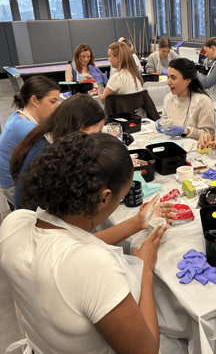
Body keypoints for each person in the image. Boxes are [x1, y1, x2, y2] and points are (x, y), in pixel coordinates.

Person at [0, 131, 176, 354]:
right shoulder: (95, 267)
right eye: (120, 197)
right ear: (103, 198)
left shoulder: (14, 224)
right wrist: (145, 270)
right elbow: (146, 351)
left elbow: (68, 244)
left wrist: (136, 223)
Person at [10, 94, 106, 210]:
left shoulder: (47, 136)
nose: (97, 139)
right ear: (80, 127)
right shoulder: (49, 157)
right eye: (97, 132)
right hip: (37, 220)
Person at [0, 76, 60, 204]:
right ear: (35, 101)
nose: (58, 106)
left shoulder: (18, 115)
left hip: (8, 180)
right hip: (13, 187)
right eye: (53, 101)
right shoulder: (26, 129)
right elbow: (55, 158)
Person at [155, 58, 215, 140]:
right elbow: (165, 118)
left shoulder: (203, 101)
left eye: (173, 78)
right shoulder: (168, 98)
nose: (168, 82)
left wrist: (186, 131)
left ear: (188, 80)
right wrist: (161, 122)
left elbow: (209, 135)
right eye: (168, 77)